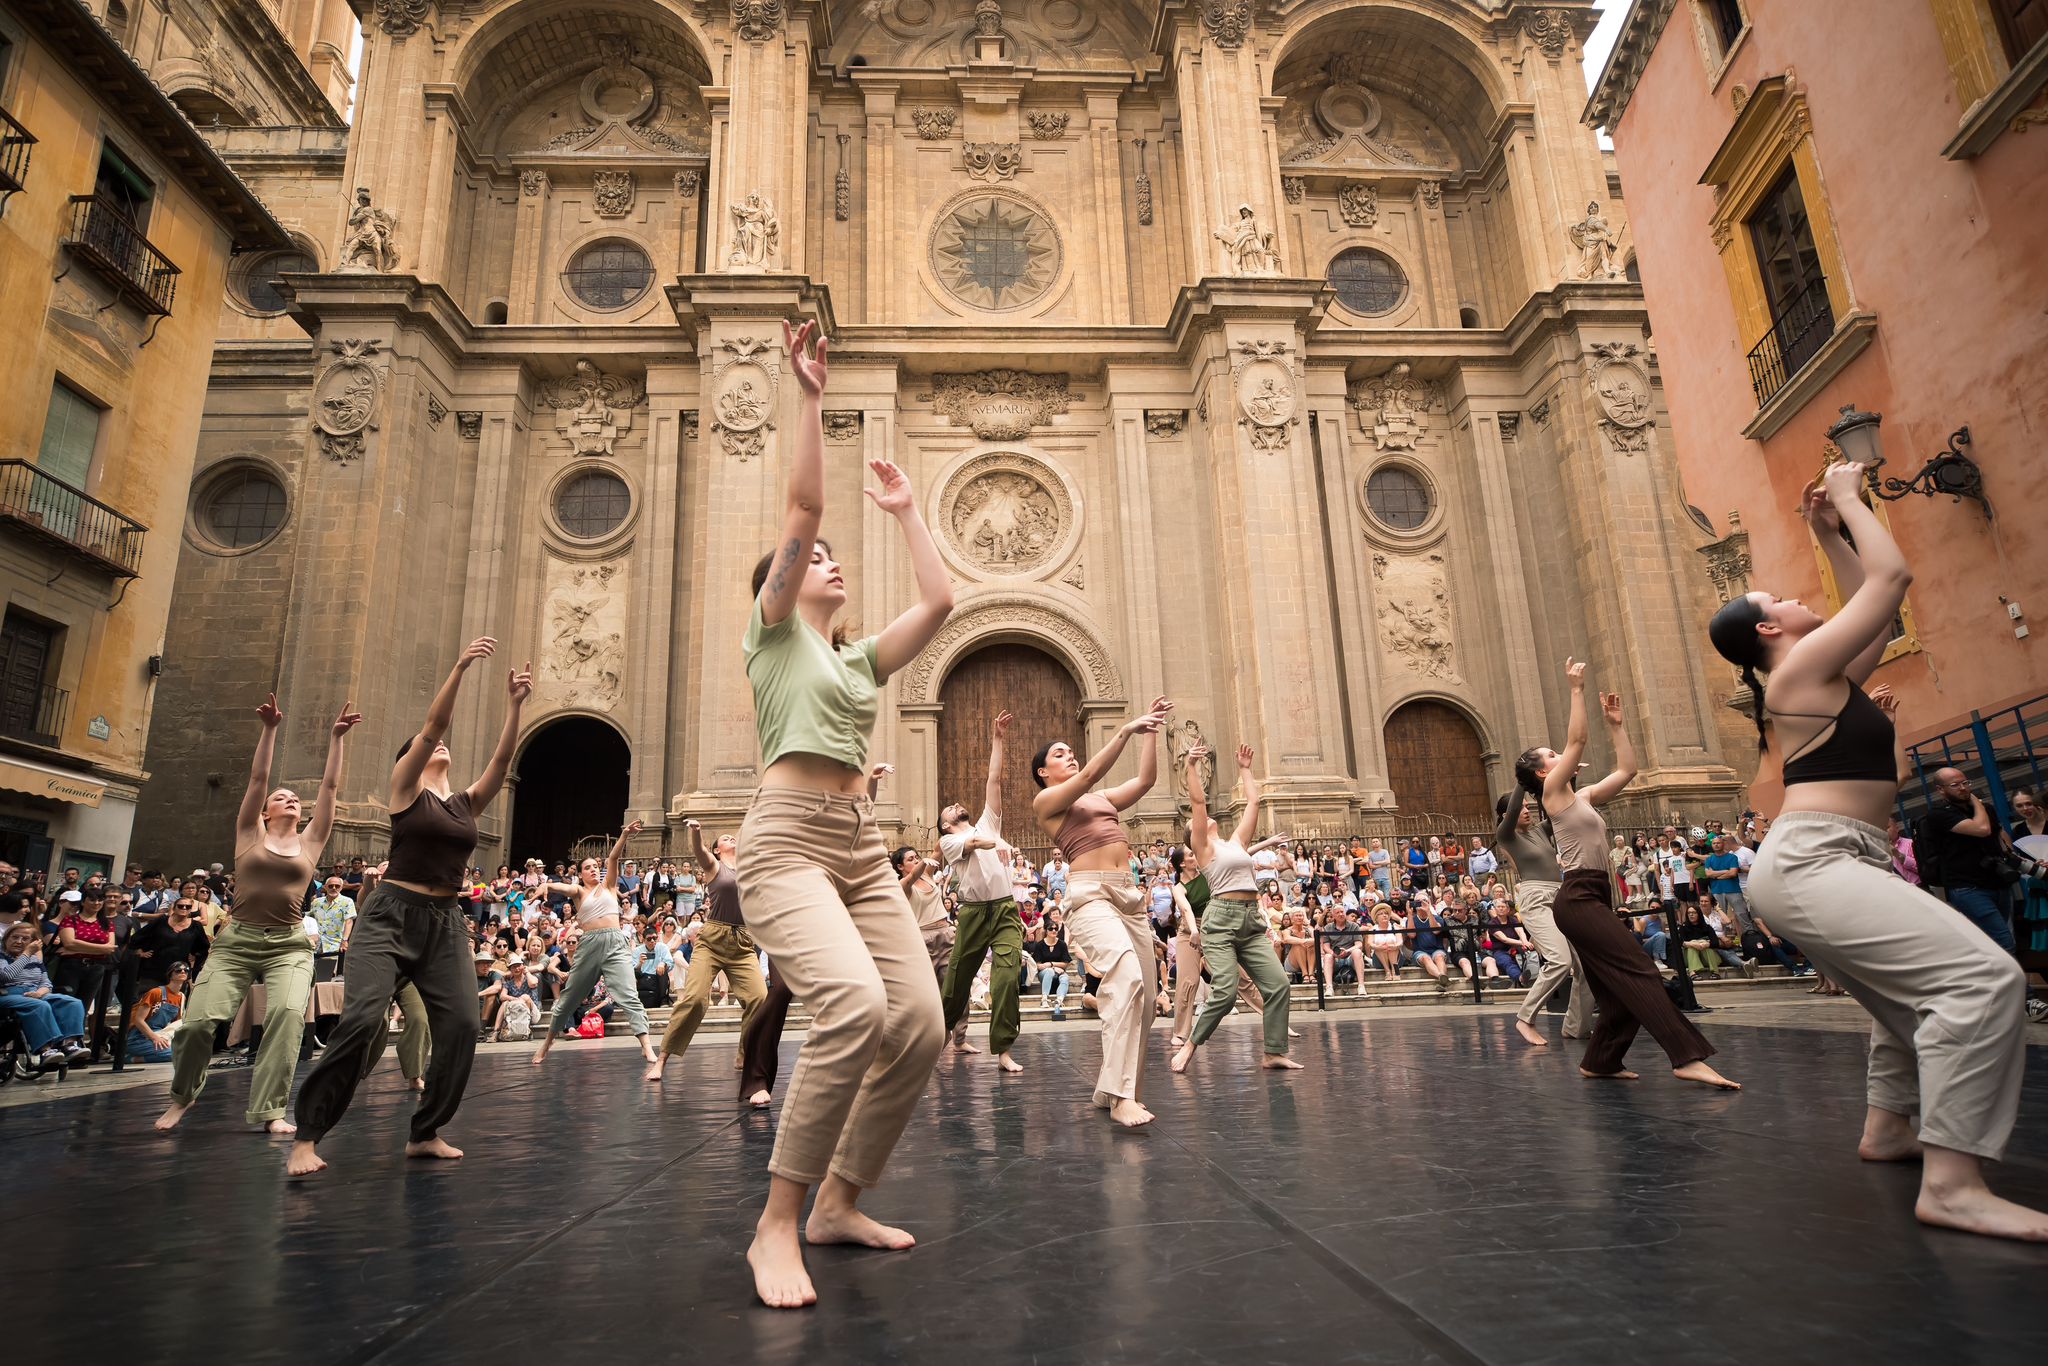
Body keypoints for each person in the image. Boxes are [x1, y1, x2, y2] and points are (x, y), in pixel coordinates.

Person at [1710, 457, 2040, 1240]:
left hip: (1835, 857)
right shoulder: (1798, 677)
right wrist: (1854, 501)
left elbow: (1880, 618)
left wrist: (1828, 532)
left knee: (1904, 1007)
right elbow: (1890, 581)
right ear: (1767, 630)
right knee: (1986, 981)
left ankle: (1890, 1129)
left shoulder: (1820, 676)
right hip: (1814, 860)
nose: (1796, 601)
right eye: (1780, 599)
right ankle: (1954, 1184)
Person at [734, 319, 954, 1309]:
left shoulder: (854, 658)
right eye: (810, 554)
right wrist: (811, 395)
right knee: (853, 1008)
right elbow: (804, 499)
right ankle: (775, 1225)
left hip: (858, 848)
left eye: (827, 555)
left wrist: (907, 512)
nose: (823, 557)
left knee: (918, 1019)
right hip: (782, 842)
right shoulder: (774, 633)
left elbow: (941, 602)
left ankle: (838, 1201)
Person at [288, 638, 530, 1177]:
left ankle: (426, 1132)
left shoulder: (465, 803)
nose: (441, 749)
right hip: (390, 914)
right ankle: (308, 1135)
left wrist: (514, 707)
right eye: (427, 748)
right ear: (412, 759)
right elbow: (435, 725)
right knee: (362, 1020)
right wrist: (461, 667)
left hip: (445, 923)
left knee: (465, 1024)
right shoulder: (404, 791)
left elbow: (502, 759)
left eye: (442, 748)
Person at [1518, 658, 1737, 1090]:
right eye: (1552, 755)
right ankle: (1686, 1055)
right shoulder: (1552, 794)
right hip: (1578, 898)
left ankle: (1601, 1060)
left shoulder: (1580, 797)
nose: (1561, 755)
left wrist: (1617, 726)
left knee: (1617, 990)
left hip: (1594, 898)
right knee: (1641, 968)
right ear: (1544, 772)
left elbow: (1627, 771)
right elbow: (1578, 739)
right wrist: (1576, 689)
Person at [157, 694, 360, 1136]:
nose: (289, 799)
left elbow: (329, 791)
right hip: (237, 942)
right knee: (197, 1025)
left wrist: (336, 739)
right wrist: (269, 729)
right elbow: (258, 777)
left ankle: (270, 1110)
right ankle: (182, 1097)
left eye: (294, 798)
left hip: (289, 943)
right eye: (280, 797)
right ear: (265, 811)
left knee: (287, 1017)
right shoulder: (249, 833)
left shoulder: (312, 841)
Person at [1031, 695, 1174, 1128]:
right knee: (1126, 977)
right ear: (1043, 773)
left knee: (1147, 1000)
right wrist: (1125, 730)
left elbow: (1146, 781)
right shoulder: (1048, 804)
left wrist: (1149, 735)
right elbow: (1092, 771)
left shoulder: (1101, 799)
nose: (1069, 755)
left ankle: (1113, 1088)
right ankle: (1118, 1096)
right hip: (1088, 896)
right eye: (1060, 754)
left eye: (1070, 751)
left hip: (1127, 895)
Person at [1172, 744, 1300, 1074]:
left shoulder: (1235, 844)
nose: (1206, 818)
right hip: (1221, 920)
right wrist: (1191, 766)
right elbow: (1199, 802)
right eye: (1198, 822)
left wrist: (1245, 769)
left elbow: (1254, 803)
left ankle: (1273, 1052)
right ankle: (1190, 1044)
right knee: (1226, 992)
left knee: (1278, 985)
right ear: (1193, 835)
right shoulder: (1202, 846)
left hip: (1250, 921)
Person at [644, 818, 767, 1082]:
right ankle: (662, 1059)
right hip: (712, 941)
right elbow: (699, 852)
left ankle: (745, 1054)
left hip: (743, 943)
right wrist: (696, 833)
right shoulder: (714, 866)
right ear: (717, 850)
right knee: (696, 1000)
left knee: (759, 998)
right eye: (725, 838)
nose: (731, 838)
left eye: (732, 837)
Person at [937, 711, 1024, 1072]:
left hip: (1004, 910)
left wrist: (998, 739)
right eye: (951, 808)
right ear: (946, 823)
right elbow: (973, 844)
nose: (958, 804)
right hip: (973, 914)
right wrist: (991, 843)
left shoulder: (989, 821)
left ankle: (1003, 1048)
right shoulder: (948, 841)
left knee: (1006, 976)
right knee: (957, 980)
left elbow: (994, 780)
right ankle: (939, 1033)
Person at [532, 822, 659, 1066]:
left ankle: (646, 1046)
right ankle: (547, 1042)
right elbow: (562, 886)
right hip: (589, 945)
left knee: (629, 995)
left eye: (595, 867)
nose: (593, 870)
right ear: (580, 873)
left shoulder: (610, 886)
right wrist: (546, 884)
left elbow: (613, 857)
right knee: (569, 997)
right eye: (587, 867)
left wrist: (623, 835)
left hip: (615, 943)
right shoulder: (579, 892)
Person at [1495, 789, 1592, 1047]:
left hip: (1559, 895)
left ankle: (1576, 1027)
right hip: (1535, 898)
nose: (1528, 810)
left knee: (1586, 964)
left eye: (1530, 806)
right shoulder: (1506, 835)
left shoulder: (1539, 830)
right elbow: (1514, 808)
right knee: (1560, 961)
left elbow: (1562, 805)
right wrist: (1522, 780)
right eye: (1523, 807)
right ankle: (1525, 1019)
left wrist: (1567, 773)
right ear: (1507, 815)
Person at [1919, 769, 2018, 952]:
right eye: (1955, 785)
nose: (1963, 788)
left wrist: (2013, 858)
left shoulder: (1985, 809)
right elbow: (1982, 829)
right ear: (1940, 790)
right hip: (1968, 887)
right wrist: (1975, 800)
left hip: (1998, 881)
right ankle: (2016, 981)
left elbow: (1997, 835)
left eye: (1966, 783)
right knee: (2004, 941)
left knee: (1999, 940)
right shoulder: (1939, 814)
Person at [0, 920, 90, 1068]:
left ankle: (69, 1045)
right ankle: (46, 1050)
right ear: (6, 939)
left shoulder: (35, 960)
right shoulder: (2, 956)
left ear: (34, 942)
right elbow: (5, 976)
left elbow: (46, 982)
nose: (18, 941)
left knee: (72, 1002)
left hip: (36, 993)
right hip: (8, 994)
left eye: (25, 939)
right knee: (39, 1005)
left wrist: (41, 992)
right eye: (14, 937)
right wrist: (26, 954)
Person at [125, 960, 190, 1064]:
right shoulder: (156, 992)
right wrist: (155, 1038)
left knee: (188, 1051)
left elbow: (176, 1024)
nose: (183, 972)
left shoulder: (182, 997)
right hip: (139, 1037)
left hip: (162, 1035)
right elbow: (138, 1020)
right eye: (178, 970)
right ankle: (131, 1059)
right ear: (170, 974)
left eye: (186, 970)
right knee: (175, 1053)